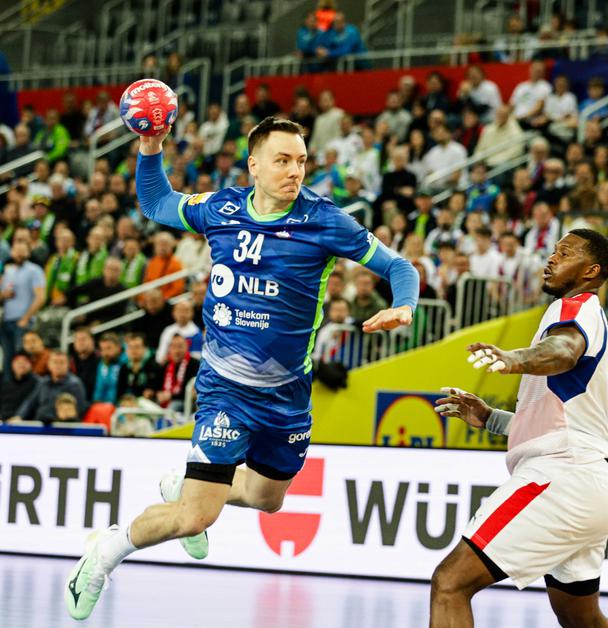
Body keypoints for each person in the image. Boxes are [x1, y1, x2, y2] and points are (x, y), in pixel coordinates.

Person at [64, 116, 419, 621]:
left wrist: (404, 304)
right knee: (194, 518)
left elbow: (399, 266)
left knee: (266, 498)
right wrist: (151, 146)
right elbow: (157, 203)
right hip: (225, 389)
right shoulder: (221, 208)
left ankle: (181, 482)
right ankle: (104, 553)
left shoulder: (324, 221)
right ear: (253, 164)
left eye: (301, 161)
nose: (294, 171)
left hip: (288, 395)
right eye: (282, 160)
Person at [429, 230, 608, 628]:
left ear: (591, 271)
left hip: (565, 476)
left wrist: (515, 358)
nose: (551, 258)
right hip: (598, 482)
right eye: (553, 251)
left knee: (450, 583)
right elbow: (560, 420)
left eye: (564, 253)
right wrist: (490, 418)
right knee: (583, 621)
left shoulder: (574, 307)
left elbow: (564, 350)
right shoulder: (591, 320)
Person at [0, 239, 45, 377]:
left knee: (22, 359)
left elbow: (41, 297)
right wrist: (4, 295)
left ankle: (25, 387)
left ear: (28, 252)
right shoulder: (7, 271)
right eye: (16, 250)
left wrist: (26, 318)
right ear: (11, 252)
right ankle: (7, 388)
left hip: (23, 322)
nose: (19, 254)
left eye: (22, 251)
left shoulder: (34, 270)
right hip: (6, 321)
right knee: (7, 360)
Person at [9, 350, 87, 424]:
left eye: (62, 362)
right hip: (39, 424)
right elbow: (30, 402)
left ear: (68, 365)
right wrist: (19, 416)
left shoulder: (74, 384)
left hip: (61, 426)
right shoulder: (43, 382)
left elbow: (79, 411)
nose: (58, 365)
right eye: (55, 362)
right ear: (49, 364)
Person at [155, 300, 202, 364]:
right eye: (179, 311)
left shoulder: (197, 332)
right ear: (173, 313)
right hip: (171, 365)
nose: (182, 314)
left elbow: (199, 356)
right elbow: (160, 356)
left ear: (192, 313)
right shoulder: (168, 331)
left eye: (186, 311)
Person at [117, 332, 160, 401]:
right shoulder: (124, 367)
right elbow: (120, 392)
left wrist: (152, 393)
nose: (133, 350)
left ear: (145, 348)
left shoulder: (154, 367)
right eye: (130, 347)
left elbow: (158, 390)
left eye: (137, 347)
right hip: (128, 403)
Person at [0, 352, 38, 422]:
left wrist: (20, 417)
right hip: (3, 420)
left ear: (31, 364)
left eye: (25, 362)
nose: (21, 365)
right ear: (12, 364)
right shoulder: (4, 380)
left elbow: (31, 403)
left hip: (25, 422)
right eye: (18, 362)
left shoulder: (37, 382)